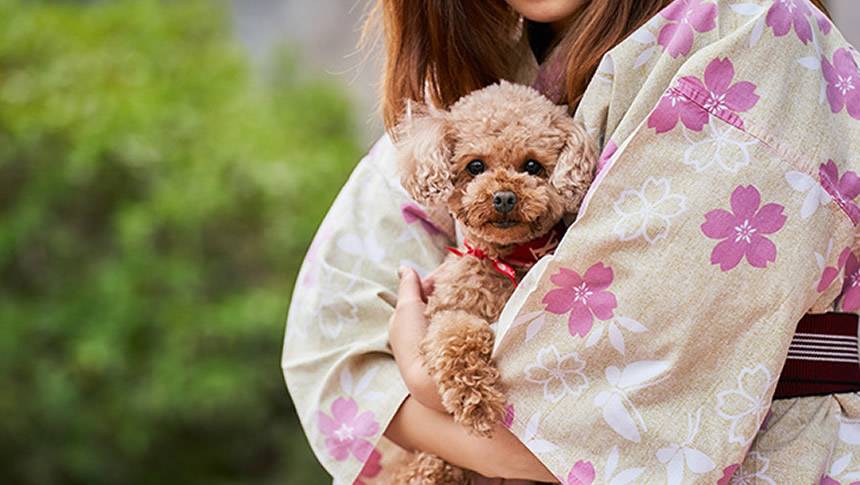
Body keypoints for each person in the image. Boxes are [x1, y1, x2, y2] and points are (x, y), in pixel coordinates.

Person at [283, 0, 860, 483]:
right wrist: (442, 395)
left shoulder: (756, 33)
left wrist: (420, 378)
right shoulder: (476, 77)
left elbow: (628, 406)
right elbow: (334, 338)